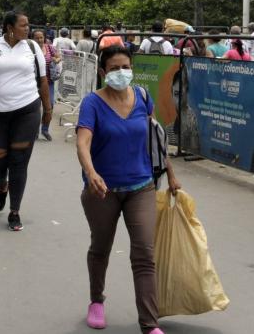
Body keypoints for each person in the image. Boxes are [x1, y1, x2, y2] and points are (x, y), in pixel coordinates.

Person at [75, 44, 180, 334]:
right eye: (114, 69)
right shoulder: (92, 103)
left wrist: (170, 174)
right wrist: (91, 172)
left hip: (142, 186)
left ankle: (149, 323)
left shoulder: (143, 97)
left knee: (144, 253)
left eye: (125, 67)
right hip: (102, 191)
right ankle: (96, 301)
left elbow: (156, 138)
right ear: (102, 72)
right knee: (101, 247)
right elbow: (83, 141)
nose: (121, 73)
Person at [0, 11, 52, 232]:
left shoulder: (31, 47)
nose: (27, 28)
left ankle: (14, 210)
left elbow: (43, 80)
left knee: (19, 161)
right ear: (10, 27)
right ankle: (2, 186)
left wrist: (47, 109)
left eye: (28, 25)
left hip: (27, 111)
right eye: (23, 25)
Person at [33, 29, 61, 141]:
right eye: (37, 37)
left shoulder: (50, 48)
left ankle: (45, 129)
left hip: (49, 82)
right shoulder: (30, 49)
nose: (39, 39)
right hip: (33, 83)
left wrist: (56, 59)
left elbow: (59, 57)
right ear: (33, 38)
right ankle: (35, 131)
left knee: (49, 106)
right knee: (35, 108)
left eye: (41, 37)